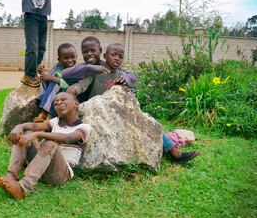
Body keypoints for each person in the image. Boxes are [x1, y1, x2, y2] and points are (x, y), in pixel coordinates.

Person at [67, 43, 199, 164]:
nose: (117, 59)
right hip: (99, 114)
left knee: (149, 123)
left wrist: (125, 80)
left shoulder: (121, 74)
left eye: (121, 56)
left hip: (119, 114)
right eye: (113, 55)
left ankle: (174, 153)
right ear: (105, 55)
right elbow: (82, 84)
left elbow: (133, 77)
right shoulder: (97, 71)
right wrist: (73, 90)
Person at [0, 92, 91, 200]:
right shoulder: (55, 122)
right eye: (55, 103)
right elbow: (36, 125)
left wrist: (37, 134)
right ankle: (11, 177)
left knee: (50, 143)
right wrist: (19, 126)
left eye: (63, 99)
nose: (59, 102)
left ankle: (23, 187)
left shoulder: (84, 127)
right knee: (24, 135)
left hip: (61, 174)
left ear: (76, 104)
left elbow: (68, 138)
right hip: (42, 169)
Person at [34, 42, 109, 122]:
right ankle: (43, 107)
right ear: (59, 59)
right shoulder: (59, 67)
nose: (70, 61)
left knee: (54, 82)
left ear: (76, 57)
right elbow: (54, 77)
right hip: (54, 94)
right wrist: (43, 73)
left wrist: (52, 78)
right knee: (50, 80)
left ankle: (45, 114)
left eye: (73, 57)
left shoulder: (77, 69)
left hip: (70, 92)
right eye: (66, 58)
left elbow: (66, 86)